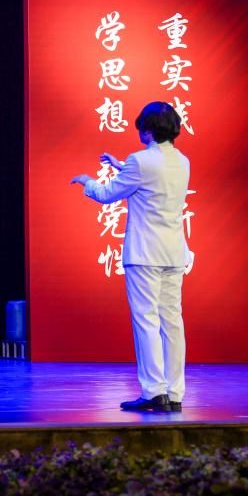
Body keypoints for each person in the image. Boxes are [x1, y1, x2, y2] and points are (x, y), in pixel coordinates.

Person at [71, 101, 191, 413]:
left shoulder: (140, 161)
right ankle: (174, 392)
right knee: (172, 322)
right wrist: (122, 166)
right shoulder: (182, 161)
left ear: (148, 130)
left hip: (145, 253)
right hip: (173, 252)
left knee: (146, 320)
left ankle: (154, 391)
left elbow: (107, 194)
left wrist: (87, 181)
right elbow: (153, 178)